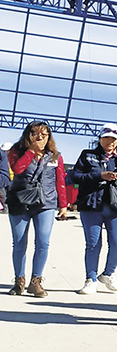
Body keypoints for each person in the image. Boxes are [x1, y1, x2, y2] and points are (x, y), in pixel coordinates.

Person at [69, 122, 117, 295]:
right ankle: (90, 279)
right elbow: (75, 176)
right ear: (100, 138)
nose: (110, 142)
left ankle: (108, 273)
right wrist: (99, 175)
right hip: (91, 205)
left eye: (113, 139)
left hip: (116, 206)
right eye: (106, 138)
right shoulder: (87, 155)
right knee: (93, 244)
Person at [6, 122, 69, 297]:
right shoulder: (16, 151)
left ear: (49, 136)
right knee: (19, 242)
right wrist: (32, 151)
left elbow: (60, 182)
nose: (40, 137)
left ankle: (36, 281)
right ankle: (19, 281)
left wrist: (63, 205)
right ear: (28, 135)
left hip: (45, 203)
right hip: (20, 202)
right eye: (35, 134)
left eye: (44, 134)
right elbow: (17, 169)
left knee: (43, 242)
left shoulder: (55, 156)